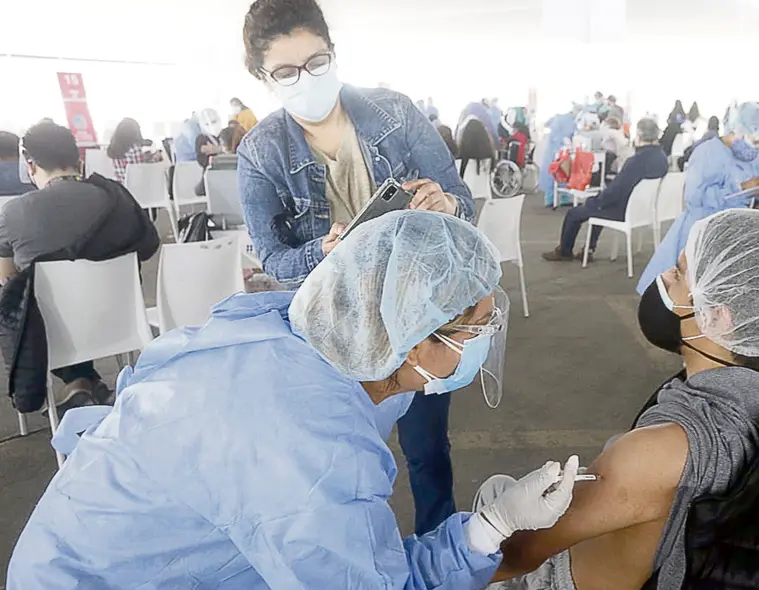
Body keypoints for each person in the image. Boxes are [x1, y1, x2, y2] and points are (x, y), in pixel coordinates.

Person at [6, 210, 581, 589]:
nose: (486, 340)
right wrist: (491, 525)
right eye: (475, 329)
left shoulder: (314, 335)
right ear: (413, 339)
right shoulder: (309, 452)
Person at [490, 209, 759, 590]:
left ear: (719, 316)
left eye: (680, 273)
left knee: (493, 499)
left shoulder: (658, 451)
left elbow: (518, 554)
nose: (664, 277)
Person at [236, 0, 475, 536]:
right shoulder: (261, 152)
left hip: (415, 313)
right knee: (333, 461)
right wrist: (323, 251)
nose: (306, 80)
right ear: (262, 77)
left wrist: (448, 204)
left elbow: (462, 198)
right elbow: (273, 259)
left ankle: (444, 550)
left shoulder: (395, 113)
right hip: (330, 324)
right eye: (286, 72)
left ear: (334, 53)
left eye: (317, 62)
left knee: (426, 451)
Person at [0, 122, 160, 418]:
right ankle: (87, 382)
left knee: (31, 303)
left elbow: (8, 280)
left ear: (31, 165)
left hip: (54, 339)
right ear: (78, 158)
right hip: (124, 323)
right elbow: (148, 248)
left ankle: (79, 383)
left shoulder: (14, 213)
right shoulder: (117, 197)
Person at [637, 102, 759, 293]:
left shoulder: (755, 159)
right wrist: (739, 188)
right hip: (700, 229)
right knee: (689, 288)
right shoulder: (708, 153)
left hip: (735, 232)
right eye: (754, 142)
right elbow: (694, 197)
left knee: (722, 290)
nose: (756, 149)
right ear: (737, 130)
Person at [541, 118, 667, 262]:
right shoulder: (661, 158)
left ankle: (564, 251)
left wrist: (595, 200)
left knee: (575, 213)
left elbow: (616, 191)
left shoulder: (636, 161)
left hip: (625, 210)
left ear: (638, 136)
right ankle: (588, 249)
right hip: (644, 209)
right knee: (600, 207)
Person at [539, 108, 579, 207]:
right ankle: (556, 198)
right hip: (559, 149)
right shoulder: (568, 121)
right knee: (559, 172)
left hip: (555, 149)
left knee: (556, 172)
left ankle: (553, 199)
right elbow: (567, 136)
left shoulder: (560, 118)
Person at [107, 118, 161, 183]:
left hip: (122, 187)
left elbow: (131, 164)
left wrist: (145, 157)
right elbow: (141, 170)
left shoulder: (114, 147)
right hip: (137, 186)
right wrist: (156, 157)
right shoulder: (134, 148)